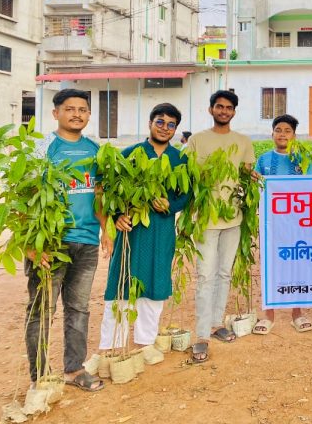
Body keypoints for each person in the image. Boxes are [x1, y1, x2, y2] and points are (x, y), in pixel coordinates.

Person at [28, 89, 104, 391]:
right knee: (41, 310)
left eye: (83, 109)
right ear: (55, 112)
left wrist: (105, 228)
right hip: (50, 243)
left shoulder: (95, 149)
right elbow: (26, 197)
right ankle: (40, 377)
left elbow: (97, 193)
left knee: (79, 309)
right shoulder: (42, 149)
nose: (77, 114)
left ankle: (74, 369)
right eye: (70, 108)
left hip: (87, 242)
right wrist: (30, 246)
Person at [98, 104, 189, 354]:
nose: (165, 128)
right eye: (160, 122)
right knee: (122, 282)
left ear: (175, 130)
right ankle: (112, 344)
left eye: (171, 125)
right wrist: (116, 217)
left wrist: (171, 205)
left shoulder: (179, 159)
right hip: (132, 231)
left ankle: (144, 343)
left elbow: (186, 195)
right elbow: (111, 191)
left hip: (161, 230)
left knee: (156, 285)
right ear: (150, 123)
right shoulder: (130, 153)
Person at [186, 90, 256, 363]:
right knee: (205, 275)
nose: (224, 111)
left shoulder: (243, 142)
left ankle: (216, 324)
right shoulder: (196, 140)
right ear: (211, 109)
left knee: (224, 273)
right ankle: (201, 335)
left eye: (228, 108)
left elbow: (248, 175)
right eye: (219, 106)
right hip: (206, 218)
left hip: (234, 218)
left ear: (234, 112)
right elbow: (188, 175)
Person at [253, 114, 312, 335]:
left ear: (294, 135)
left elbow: (310, 189)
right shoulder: (263, 160)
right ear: (272, 134)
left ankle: (297, 313)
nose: (282, 134)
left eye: (287, 130)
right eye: (278, 130)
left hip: (297, 223)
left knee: (296, 264)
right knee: (269, 265)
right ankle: (268, 314)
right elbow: (256, 189)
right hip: (270, 224)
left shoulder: (303, 159)